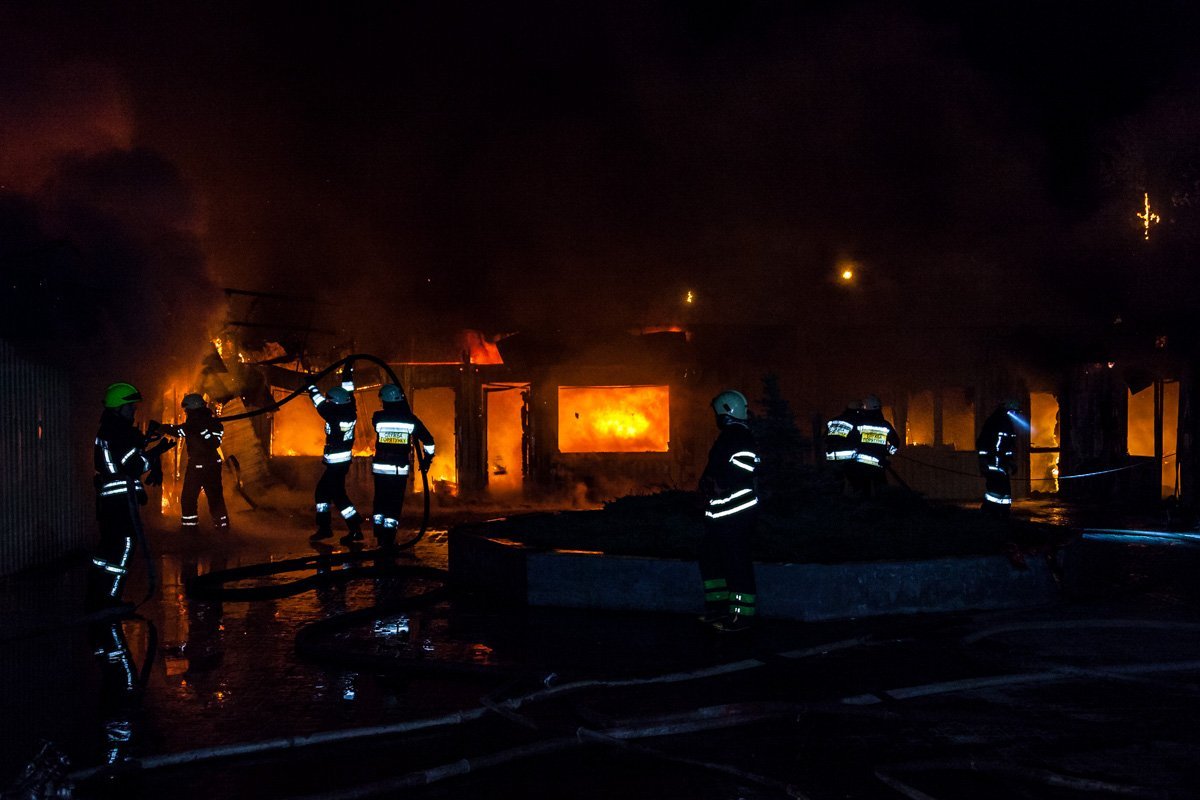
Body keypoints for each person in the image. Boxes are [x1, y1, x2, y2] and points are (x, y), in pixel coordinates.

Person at [89, 382, 175, 611]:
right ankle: (110, 599)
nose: (134, 411)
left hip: (110, 499)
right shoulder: (118, 432)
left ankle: (97, 595)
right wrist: (154, 454)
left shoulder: (109, 428)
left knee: (108, 548)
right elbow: (132, 465)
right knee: (124, 545)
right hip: (119, 500)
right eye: (130, 408)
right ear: (118, 407)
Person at [698, 389, 761, 633]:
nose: (715, 417)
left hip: (736, 513)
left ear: (726, 411)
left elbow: (743, 467)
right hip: (721, 513)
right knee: (712, 559)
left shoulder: (739, 437)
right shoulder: (731, 436)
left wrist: (721, 486)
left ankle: (741, 616)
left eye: (717, 412)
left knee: (737, 564)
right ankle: (719, 609)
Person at [370, 384, 435, 550]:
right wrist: (427, 460)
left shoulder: (377, 417)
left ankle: (379, 535)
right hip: (399, 471)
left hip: (380, 470)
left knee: (380, 503)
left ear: (385, 400)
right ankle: (388, 540)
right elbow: (428, 440)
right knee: (393, 505)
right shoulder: (410, 420)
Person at [307, 362, 366, 544]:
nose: (328, 402)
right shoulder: (349, 407)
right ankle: (326, 528)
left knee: (337, 496)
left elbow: (321, 406)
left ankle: (355, 527)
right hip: (339, 463)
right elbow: (348, 391)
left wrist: (311, 386)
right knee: (323, 494)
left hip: (337, 465)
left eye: (330, 401)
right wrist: (347, 371)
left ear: (335, 404)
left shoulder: (336, 417)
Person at [174, 393, 229, 532]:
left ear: (193, 408)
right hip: (197, 465)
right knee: (188, 499)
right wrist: (161, 427)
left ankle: (222, 529)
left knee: (214, 499)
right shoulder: (191, 424)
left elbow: (214, 443)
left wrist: (202, 430)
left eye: (187, 410)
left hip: (209, 466)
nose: (186, 413)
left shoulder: (214, 424)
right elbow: (178, 431)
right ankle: (190, 530)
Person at [847, 394, 899, 499]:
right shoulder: (885, 424)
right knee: (881, 494)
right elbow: (895, 442)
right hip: (879, 465)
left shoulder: (859, 423)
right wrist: (888, 453)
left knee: (863, 494)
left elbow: (851, 441)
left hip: (861, 465)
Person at [977, 399, 1019, 518]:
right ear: (1007, 410)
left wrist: (1011, 462)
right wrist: (983, 460)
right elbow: (983, 443)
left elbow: (1008, 447)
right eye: (1013, 412)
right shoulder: (993, 422)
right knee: (994, 491)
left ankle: (1003, 512)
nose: (1015, 415)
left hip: (1002, 465)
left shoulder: (1008, 425)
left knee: (1005, 492)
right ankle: (989, 512)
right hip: (992, 463)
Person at [824, 399, 863, 494]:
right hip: (847, 458)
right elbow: (857, 439)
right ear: (857, 411)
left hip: (831, 456)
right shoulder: (855, 421)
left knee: (836, 482)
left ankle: (836, 501)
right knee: (855, 483)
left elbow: (825, 437)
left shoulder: (833, 421)